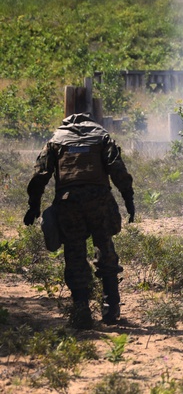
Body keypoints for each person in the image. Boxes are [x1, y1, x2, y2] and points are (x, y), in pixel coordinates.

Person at [24, 113, 135, 329]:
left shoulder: (56, 139)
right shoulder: (101, 136)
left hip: (68, 203)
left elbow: (40, 174)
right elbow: (117, 169)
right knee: (105, 247)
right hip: (99, 200)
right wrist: (128, 198)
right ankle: (111, 306)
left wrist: (34, 205)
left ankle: (81, 310)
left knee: (74, 253)